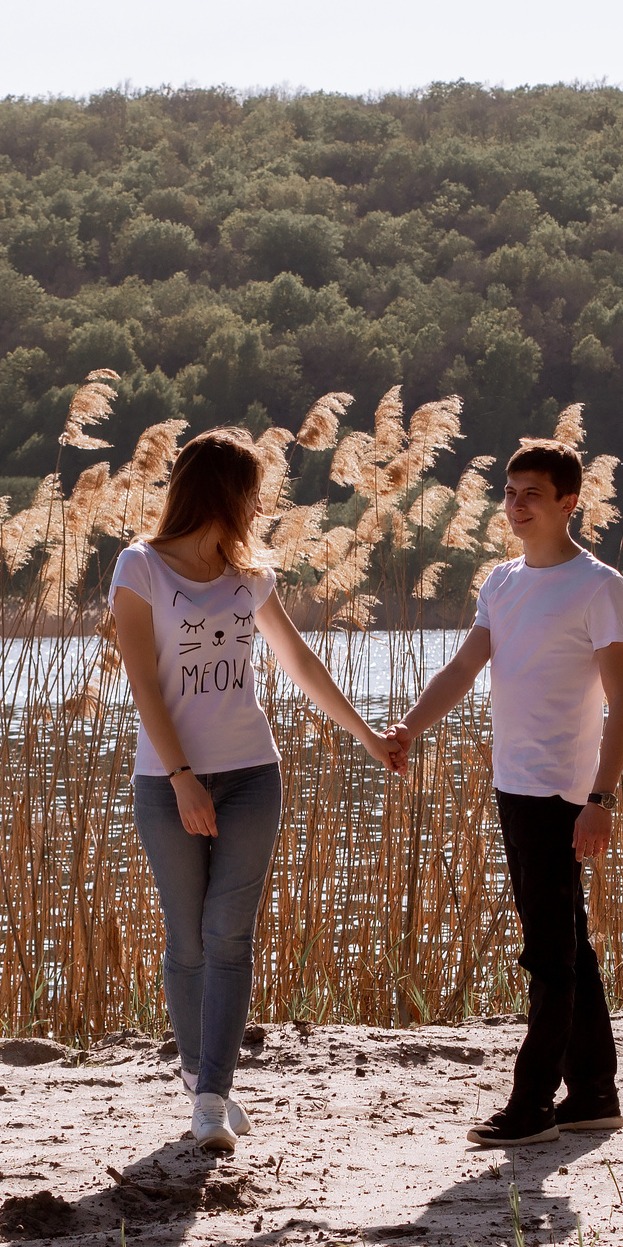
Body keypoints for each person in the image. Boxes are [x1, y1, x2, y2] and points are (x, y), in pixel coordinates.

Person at [109, 430, 406, 1153]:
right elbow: (143, 682)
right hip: (167, 781)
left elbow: (300, 664)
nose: (259, 505)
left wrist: (369, 738)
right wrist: (182, 778)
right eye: (253, 492)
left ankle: (211, 1094)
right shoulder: (139, 566)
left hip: (251, 775)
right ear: (224, 493)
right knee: (186, 939)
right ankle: (199, 1077)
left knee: (228, 935)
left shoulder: (250, 577)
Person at [385, 441, 623, 1146]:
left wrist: (601, 799)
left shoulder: (599, 586)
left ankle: (532, 1105)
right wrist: (409, 727)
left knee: (549, 954)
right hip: (513, 785)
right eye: (510, 491)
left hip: (565, 794)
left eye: (532, 493)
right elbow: (463, 669)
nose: (516, 504)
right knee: (568, 941)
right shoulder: (501, 582)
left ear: (568, 503)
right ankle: (593, 1094)